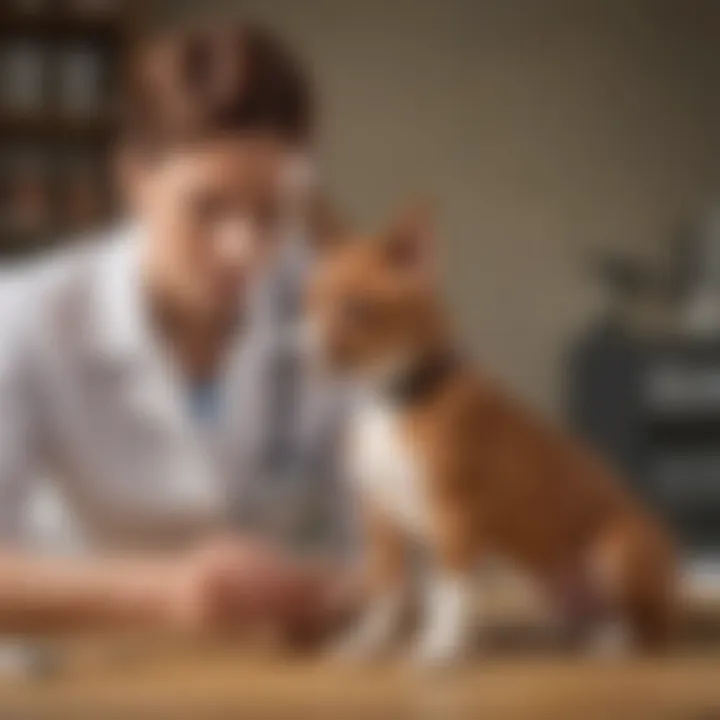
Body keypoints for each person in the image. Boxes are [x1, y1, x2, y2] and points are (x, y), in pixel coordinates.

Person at [0, 21, 353, 638]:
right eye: (206, 208)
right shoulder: (27, 315)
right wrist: (161, 592)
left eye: (272, 211)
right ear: (135, 177)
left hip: (286, 672)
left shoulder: (337, 307)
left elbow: (397, 529)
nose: (243, 249)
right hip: (86, 670)